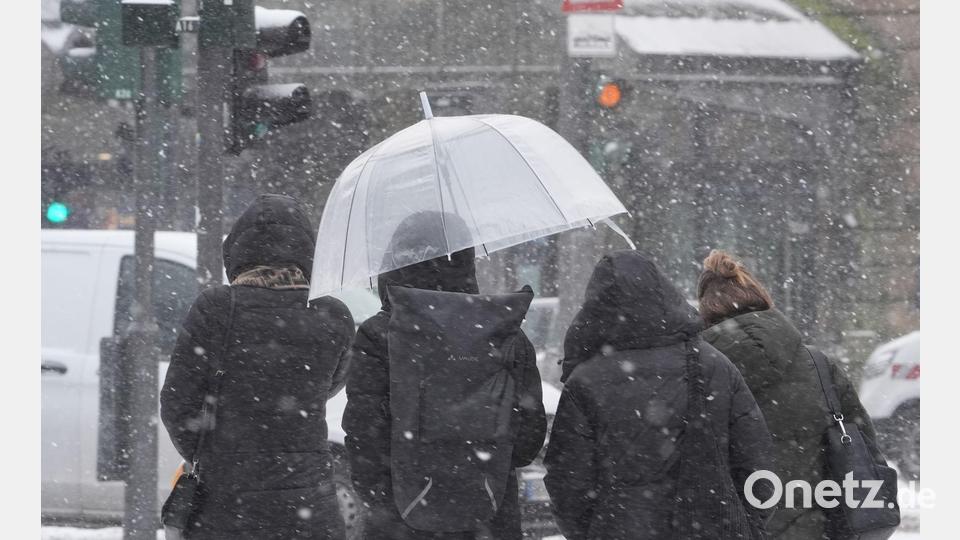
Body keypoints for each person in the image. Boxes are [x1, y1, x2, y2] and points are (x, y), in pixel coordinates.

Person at [160, 194, 355, 540]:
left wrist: (213, 454)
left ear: (237, 251)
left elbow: (177, 402)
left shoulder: (216, 308)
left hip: (226, 509)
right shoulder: (333, 315)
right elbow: (331, 385)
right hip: (310, 505)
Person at [343, 211, 547, 540]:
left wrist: (386, 504)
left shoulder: (379, 336)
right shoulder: (504, 335)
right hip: (490, 519)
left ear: (394, 263)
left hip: (401, 522)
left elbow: (364, 439)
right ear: (466, 260)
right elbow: (526, 444)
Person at [544, 250, 774, 540]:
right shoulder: (714, 365)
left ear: (595, 308)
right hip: (710, 526)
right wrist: (745, 523)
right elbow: (757, 462)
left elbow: (567, 482)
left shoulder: (585, 381)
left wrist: (594, 530)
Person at [696, 249, 884, 539]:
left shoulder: (698, 374)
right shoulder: (819, 366)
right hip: (815, 527)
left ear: (706, 313)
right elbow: (865, 448)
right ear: (762, 300)